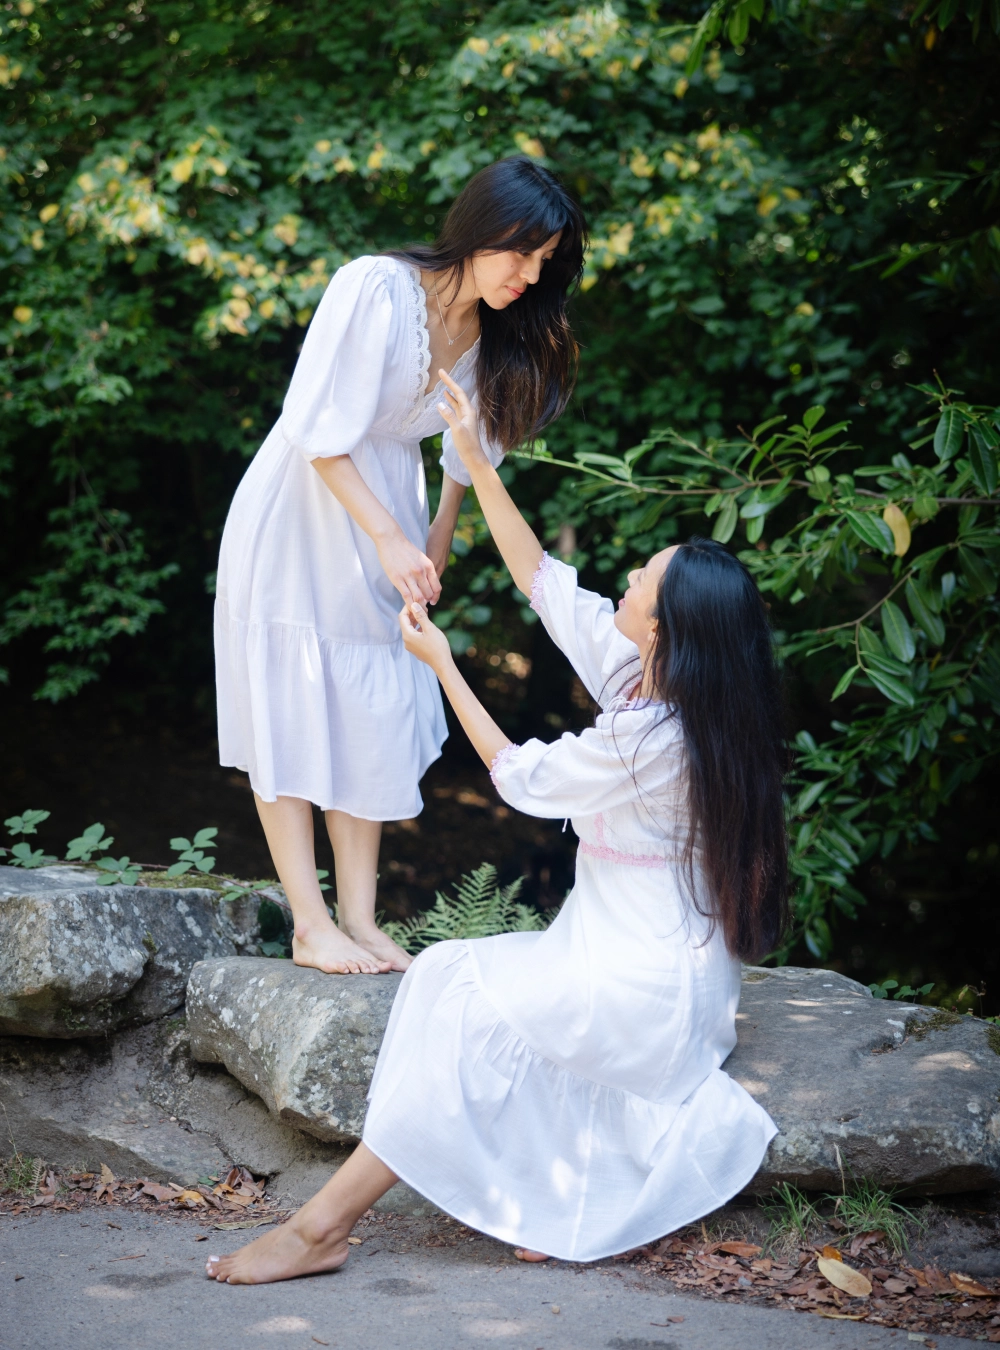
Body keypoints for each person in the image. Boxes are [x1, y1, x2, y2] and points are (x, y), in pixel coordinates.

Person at [205, 371, 789, 1285]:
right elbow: (543, 581)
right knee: (446, 980)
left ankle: (321, 1224)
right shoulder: (662, 684)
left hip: (643, 985)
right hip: (630, 956)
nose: (630, 575)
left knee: (459, 997)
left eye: (648, 577)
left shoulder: (653, 737)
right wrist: (473, 461)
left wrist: (440, 664)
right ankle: (357, 1219)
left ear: (667, 625)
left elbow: (519, 776)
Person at [214, 157, 585, 975]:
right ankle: (310, 924)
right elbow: (317, 430)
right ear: (482, 231)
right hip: (308, 504)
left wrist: (434, 535)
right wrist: (388, 535)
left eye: (544, 261)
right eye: (520, 253)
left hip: (391, 506)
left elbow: (465, 453)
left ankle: (362, 916)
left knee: (371, 701)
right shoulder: (374, 287)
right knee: (294, 691)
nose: (529, 275)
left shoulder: (493, 334)